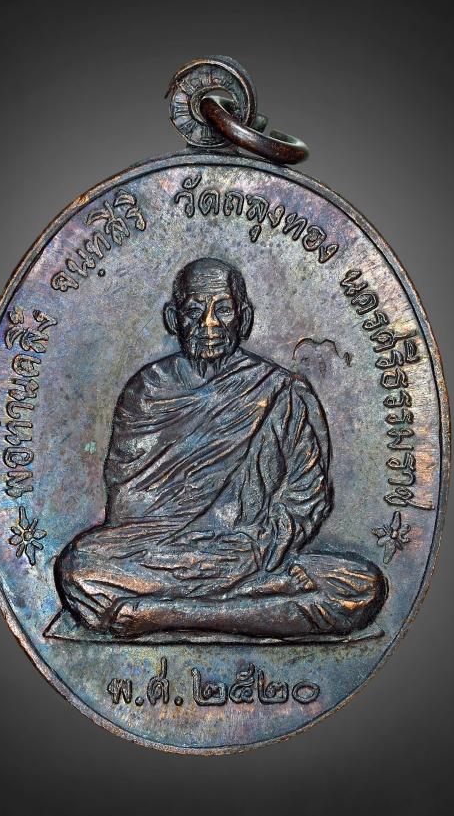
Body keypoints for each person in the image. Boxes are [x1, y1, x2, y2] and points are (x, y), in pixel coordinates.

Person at [55, 258, 386, 638]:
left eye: (223, 309)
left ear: (244, 318)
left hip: (252, 553)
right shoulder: (147, 390)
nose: (208, 324)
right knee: (78, 569)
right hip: (163, 556)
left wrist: (252, 550)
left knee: (360, 587)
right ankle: (244, 604)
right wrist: (193, 554)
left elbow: (306, 499)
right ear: (172, 319)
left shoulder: (281, 391)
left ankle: (165, 613)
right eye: (194, 311)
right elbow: (128, 510)